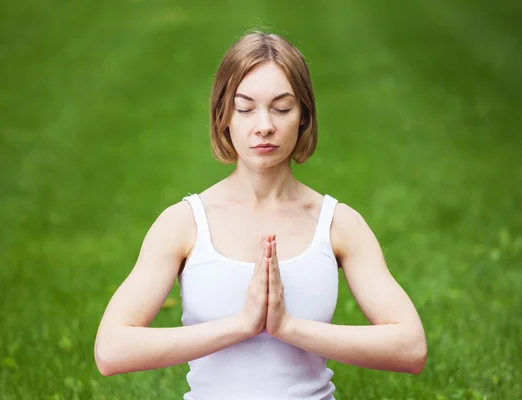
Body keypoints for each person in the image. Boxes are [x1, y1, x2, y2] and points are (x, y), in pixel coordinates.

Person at [94, 31, 427, 399]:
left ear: (304, 116)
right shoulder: (184, 223)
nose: (264, 125)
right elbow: (111, 349)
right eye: (245, 108)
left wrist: (288, 327)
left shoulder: (337, 223)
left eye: (282, 108)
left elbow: (410, 347)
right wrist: (240, 326)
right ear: (224, 115)